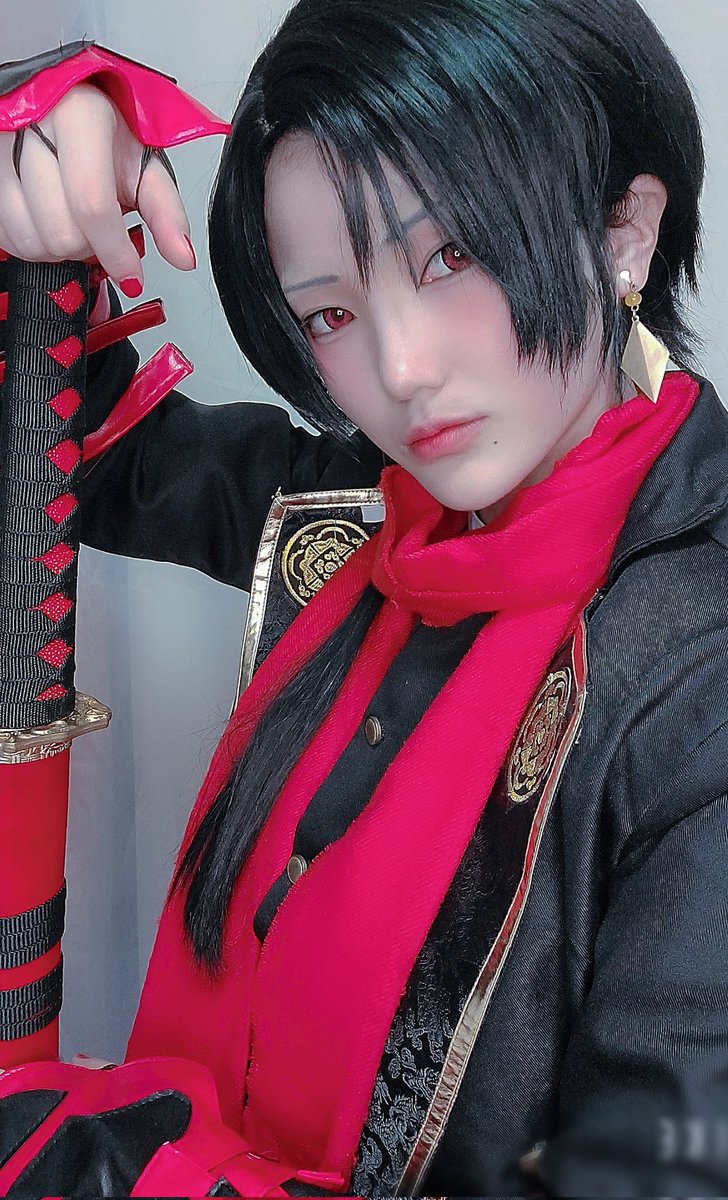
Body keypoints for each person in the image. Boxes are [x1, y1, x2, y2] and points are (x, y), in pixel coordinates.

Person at [0, 0, 727, 1195]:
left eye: (450, 258)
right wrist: (36, 132)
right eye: (330, 312)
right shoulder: (363, 518)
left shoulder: (697, 684)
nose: (398, 370)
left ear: (622, 232)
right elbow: (64, 447)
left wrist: (125, 1174)